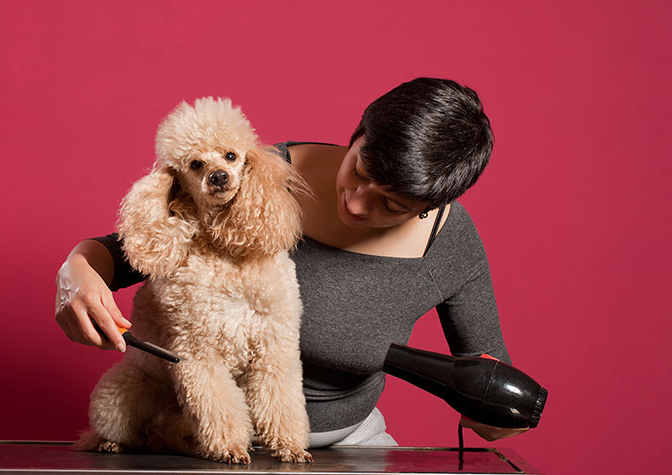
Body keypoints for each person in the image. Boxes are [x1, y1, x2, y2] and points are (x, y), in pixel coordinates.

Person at [55, 77, 530, 447]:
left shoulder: (449, 245)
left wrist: (498, 420)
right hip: (206, 441)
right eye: (360, 171)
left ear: (431, 206)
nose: (360, 204)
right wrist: (75, 270)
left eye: (393, 204)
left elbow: (493, 391)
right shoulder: (257, 174)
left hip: (353, 447)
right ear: (359, 133)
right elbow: (115, 257)